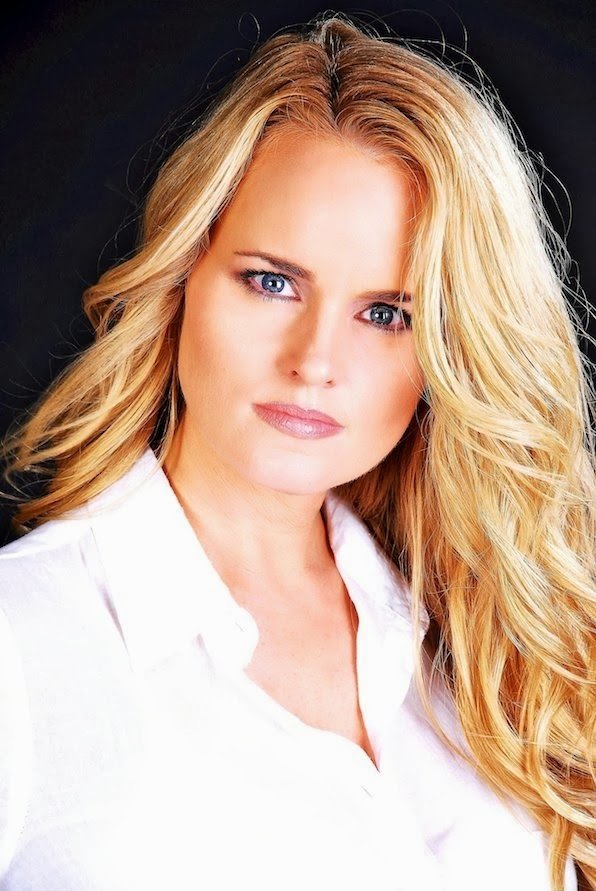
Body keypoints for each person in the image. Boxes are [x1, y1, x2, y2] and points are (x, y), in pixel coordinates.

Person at [0, 12, 594, 891]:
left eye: (386, 312)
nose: (315, 360)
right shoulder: (23, 641)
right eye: (272, 281)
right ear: (183, 275)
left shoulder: (490, 650)